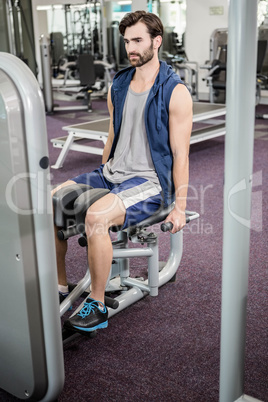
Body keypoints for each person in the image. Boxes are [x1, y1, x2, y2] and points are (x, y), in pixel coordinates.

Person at [53, 10, 193, 334]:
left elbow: (180, 153)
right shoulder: (118, 83)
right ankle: (59, 286)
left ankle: (97, 304)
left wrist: (180, 207)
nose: (131, 47)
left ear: (157, 42)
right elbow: (113, 134)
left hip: (149, 181)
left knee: (96, 218)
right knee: (53, 200)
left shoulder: (175, 91)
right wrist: (103, 172)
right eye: (127, 40)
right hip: (113, 171)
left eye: (138, 40)